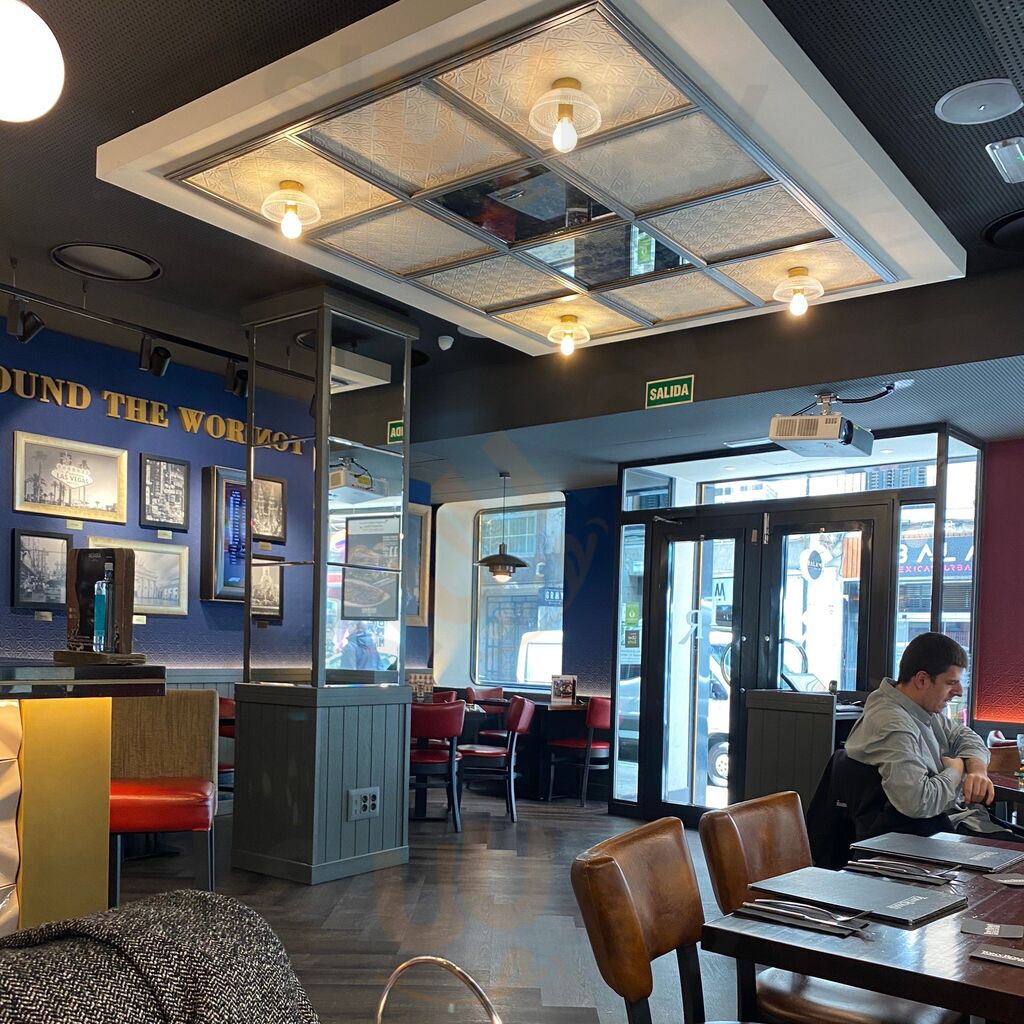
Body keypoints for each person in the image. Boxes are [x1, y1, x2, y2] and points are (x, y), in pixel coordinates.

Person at [843, 631, 1015, 838]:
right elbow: (917, 801)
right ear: (922, 680)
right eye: (950, 683)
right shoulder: (893, 723)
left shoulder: (920, 709)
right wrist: (955, 770)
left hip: (951, 822)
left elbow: (966, 736)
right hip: (931, 836)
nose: (959, 691)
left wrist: (977, 770)